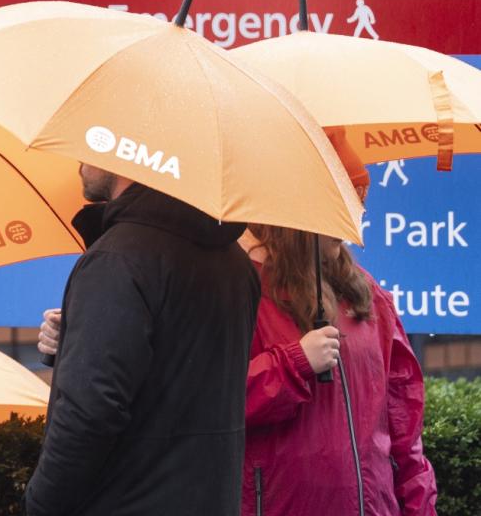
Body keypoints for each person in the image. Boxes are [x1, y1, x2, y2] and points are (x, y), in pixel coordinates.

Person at [25, 164, 260, 515]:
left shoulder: (119, 258)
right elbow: (177, 373)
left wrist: (40, 502)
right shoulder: (235, 263)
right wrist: (81, 340)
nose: (78, 161)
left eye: (92, 141)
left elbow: (89, 412)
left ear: (124, 151)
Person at [240, 137, 436, 515]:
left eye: (356, 205)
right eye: (338, 208)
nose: (350, 222)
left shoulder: (369, 295)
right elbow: (215, 401)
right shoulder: (242, 290)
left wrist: (420, 507)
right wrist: (294, 363)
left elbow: (404, 426)